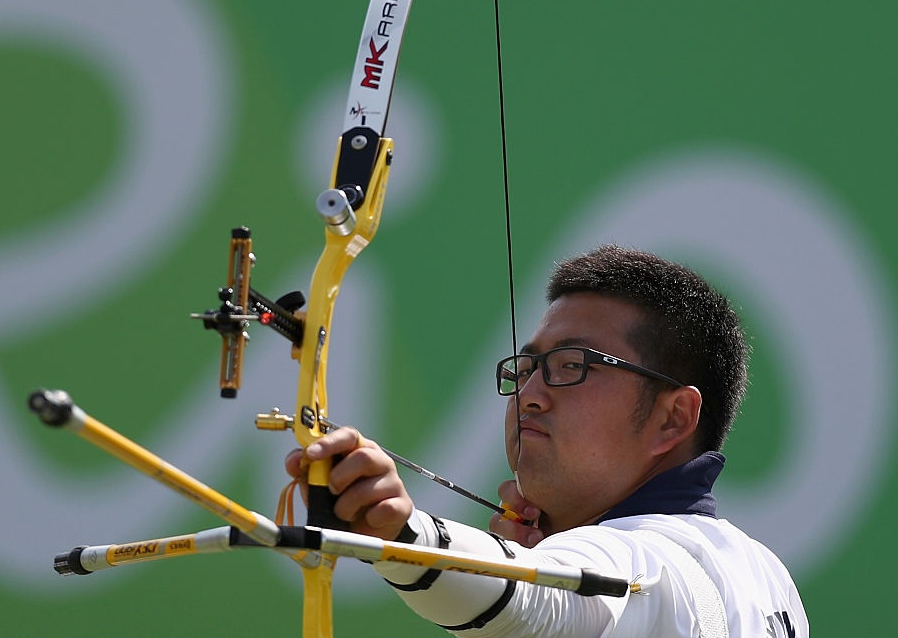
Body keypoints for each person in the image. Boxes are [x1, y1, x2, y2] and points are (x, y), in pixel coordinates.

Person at [285, 245, 808, 637]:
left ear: (673, 419)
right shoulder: (768, 576)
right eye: (529, 367)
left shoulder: (641, 559)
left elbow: (537, 601)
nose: (530, 395)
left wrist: (402, 533)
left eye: (572, 365)